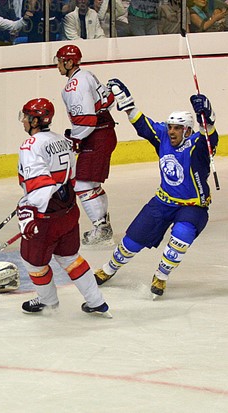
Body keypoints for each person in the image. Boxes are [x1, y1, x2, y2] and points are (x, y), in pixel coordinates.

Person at [94, 79, 219, 299]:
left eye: (177, 128)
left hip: (193, 206)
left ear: (188, 130)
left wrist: (207, 118)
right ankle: (109, 269)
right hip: (163, 201)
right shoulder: (163, 136)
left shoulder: (198, 146)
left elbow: (210, 136)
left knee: (182, 235)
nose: (172, 131)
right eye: (170, 126)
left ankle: (161, 276)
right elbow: (143, 125)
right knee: (132, 239)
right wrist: (128, 104)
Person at [16, 98, 111, 317]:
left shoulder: (30, 145)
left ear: (34, 120)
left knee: (32, 263)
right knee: (70, 258)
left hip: (45, 215)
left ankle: (48, 302)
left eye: (26, 117)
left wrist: (28, 211)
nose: (23, 121)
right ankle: (97, 302)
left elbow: (39, 184)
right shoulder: (62, 141)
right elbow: (72, 177)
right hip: (68, 210)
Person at [55, 44, 117, 245]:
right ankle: (104, 225)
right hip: (103, 133)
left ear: (69, 62)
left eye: (60, 61)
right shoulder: (87, 75)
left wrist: (74, 139)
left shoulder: (74, 86)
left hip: (96, 135)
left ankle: (101, 228)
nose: (57, 65)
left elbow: (88, 120)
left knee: (81, 184)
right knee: (92, 184)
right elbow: (108, 100)